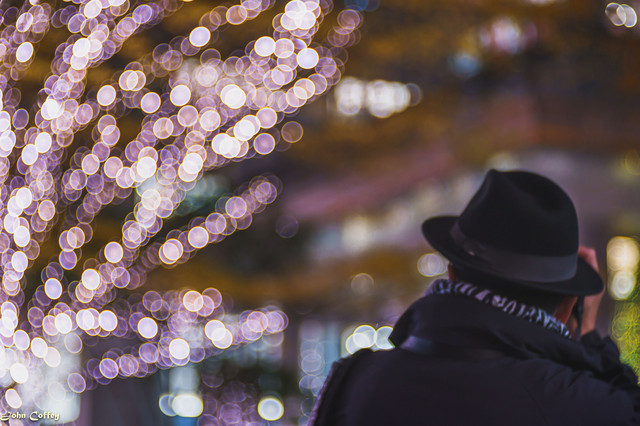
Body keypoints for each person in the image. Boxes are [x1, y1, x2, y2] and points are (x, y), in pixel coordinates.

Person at [310, 169, 640, 425]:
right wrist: (589, 338)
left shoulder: (353, 381)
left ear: (451, 273)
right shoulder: (582, 405)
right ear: (568, 307)